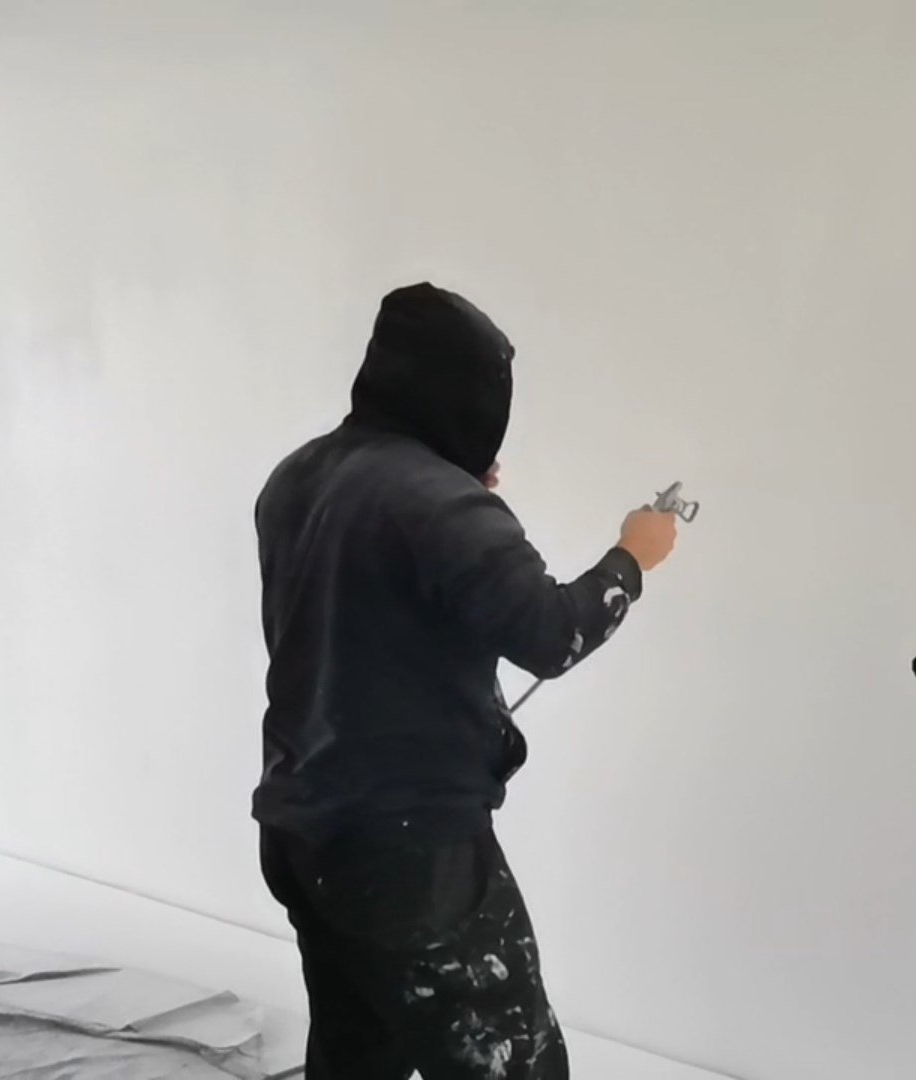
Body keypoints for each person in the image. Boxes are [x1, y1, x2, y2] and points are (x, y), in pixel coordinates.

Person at [252, 283, 677, 1079]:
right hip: (411, 859)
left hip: (301, 832)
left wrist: (453, 495)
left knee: (359, 1049)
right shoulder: (442, 504)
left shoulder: (296, 478)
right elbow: (551, 635)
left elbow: (373, 600)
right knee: (516, 1063)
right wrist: (633, 556)